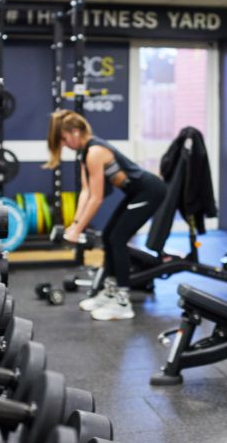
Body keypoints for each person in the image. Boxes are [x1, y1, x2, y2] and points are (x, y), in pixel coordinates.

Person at [45, 110, 166, 321]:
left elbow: (97, 198)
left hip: (150, 191)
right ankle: (109, 292)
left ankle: (122, 302)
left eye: (64, 139)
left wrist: (79, 229)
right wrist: (74, 224)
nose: (64, 145)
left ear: (75, 132)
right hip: (136, 192)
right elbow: (85, 191)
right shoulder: (84, 152)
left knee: (117, 239)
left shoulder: (94, 152)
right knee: (110, 235)